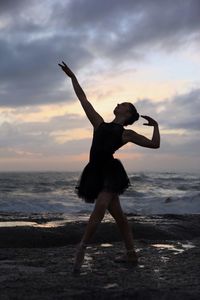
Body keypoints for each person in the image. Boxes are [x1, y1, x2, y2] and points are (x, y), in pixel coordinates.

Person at [58, 61, 160, 274]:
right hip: (95, 171)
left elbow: (154, 144)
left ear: (128, 113)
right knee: (120, 218)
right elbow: (83, 99)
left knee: (101, 206)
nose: (119, 104)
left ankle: (82, 248)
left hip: (111, 173)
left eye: (123, 104)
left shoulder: (127, 134)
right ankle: (131, 254)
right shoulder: (99, 123)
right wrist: (73, 77)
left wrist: (156, 127)